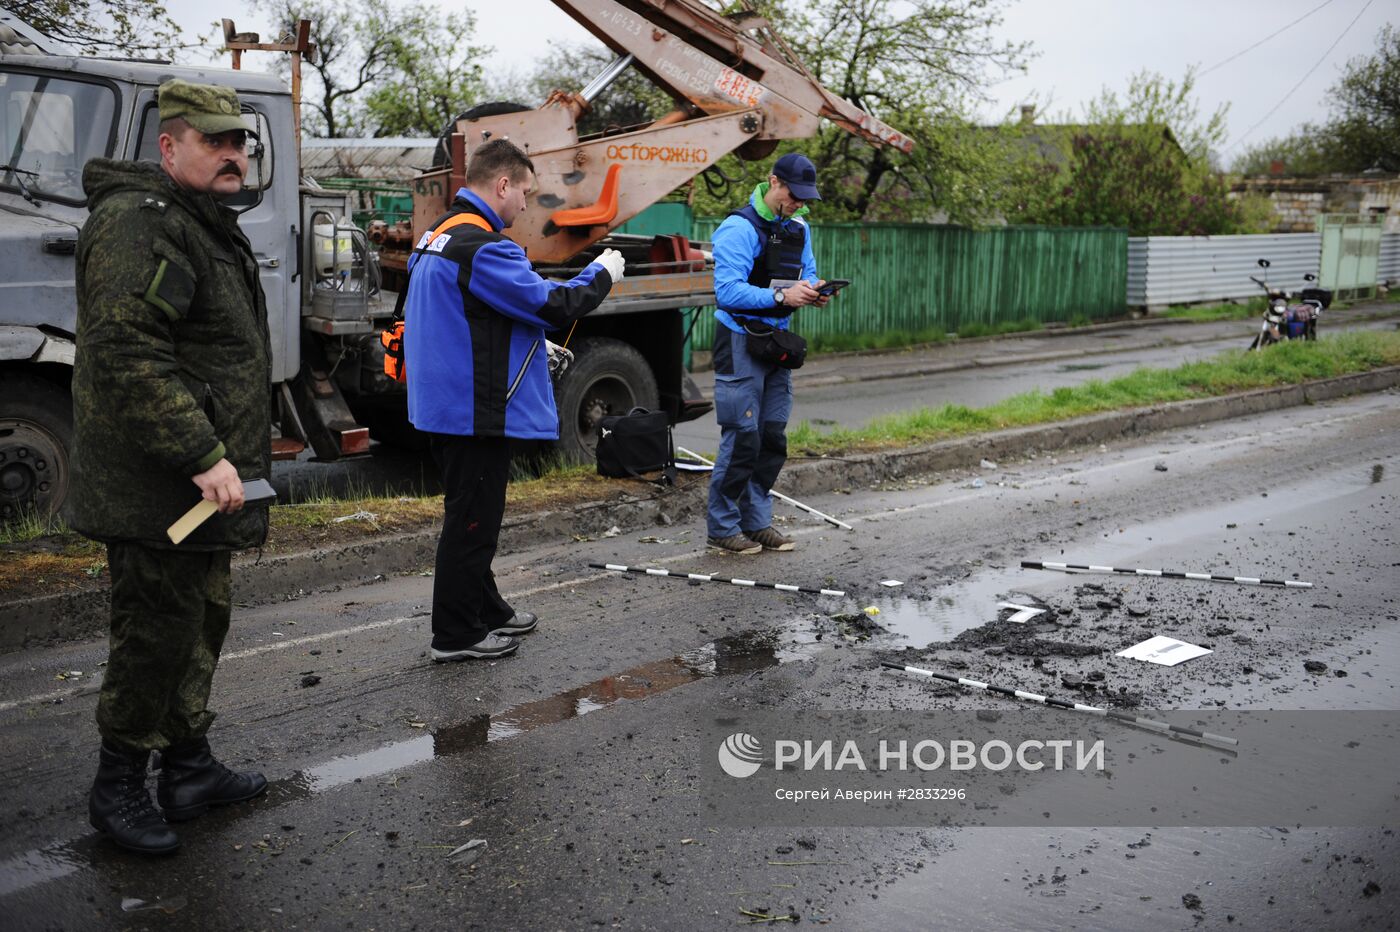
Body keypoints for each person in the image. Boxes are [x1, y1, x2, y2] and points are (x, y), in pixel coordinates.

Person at [68, 79, 272, 855]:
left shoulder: (200, 221)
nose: (233, 155)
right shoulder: (138, 223)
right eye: (215, 141)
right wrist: (201, 452)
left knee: (197, 624)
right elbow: (127, 353)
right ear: (169, 146)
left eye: (239, 143)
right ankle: (117, 786)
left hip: (201, 490)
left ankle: (187, 768)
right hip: (160, 486)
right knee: (153, 634)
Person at [404, 139, 624, 662]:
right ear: (502, 185)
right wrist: (602, 274)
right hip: (473, 410)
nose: (525, 204)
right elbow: (554, 303)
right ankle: (456, 636)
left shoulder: (439, 235)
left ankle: (488, 609)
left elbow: (469, 313)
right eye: (524, 192)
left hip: (443, 403)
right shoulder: (484, 247)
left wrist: (528, 343)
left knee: (474, 514)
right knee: (473, 523)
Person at [706, 153, 828, 554]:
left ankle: (757, 523)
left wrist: (812, 291)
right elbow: (727, 291)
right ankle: (723, 527)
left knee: (771, 436)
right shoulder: (738, 228)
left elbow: (805, 272)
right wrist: (781, 294)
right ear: (774, 182)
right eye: (794, 195)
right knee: (742, 436)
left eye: (805, 198)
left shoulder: (798, 227)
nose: (799, 204)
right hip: (740, 338)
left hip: (777, 342)